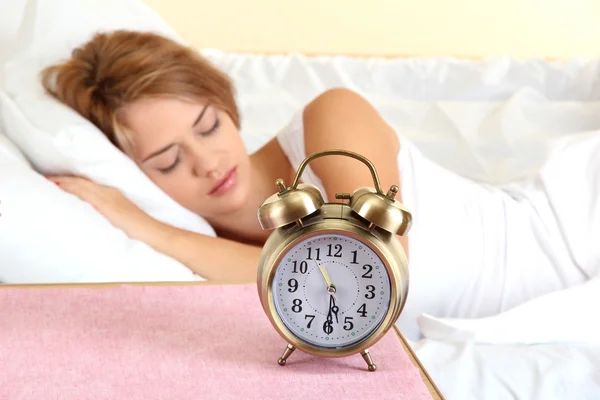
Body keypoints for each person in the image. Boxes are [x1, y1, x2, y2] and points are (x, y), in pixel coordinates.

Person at [42, 30, 593, 340]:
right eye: (167, 161)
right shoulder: (201, 264)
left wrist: (154, 231)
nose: (208, 163)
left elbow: (367, 266)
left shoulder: (329, 121)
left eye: (209, 126)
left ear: (228, 108)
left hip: (569, 221)